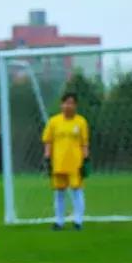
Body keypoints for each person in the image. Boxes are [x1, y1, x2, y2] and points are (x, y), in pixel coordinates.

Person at [41, 93, 90, 230]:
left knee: (77, 191)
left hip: (76, 163)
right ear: (61, 105)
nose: (68, 106)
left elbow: (84, 143)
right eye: (66, 103)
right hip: (58, 162)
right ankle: (59, 221)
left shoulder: (81, 122)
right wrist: (47, 158)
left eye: (71, 103)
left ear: (76, 105)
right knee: (59, 192)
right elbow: (48, 142)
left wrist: (86, 159)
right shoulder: (53, 122)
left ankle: (78, 221)